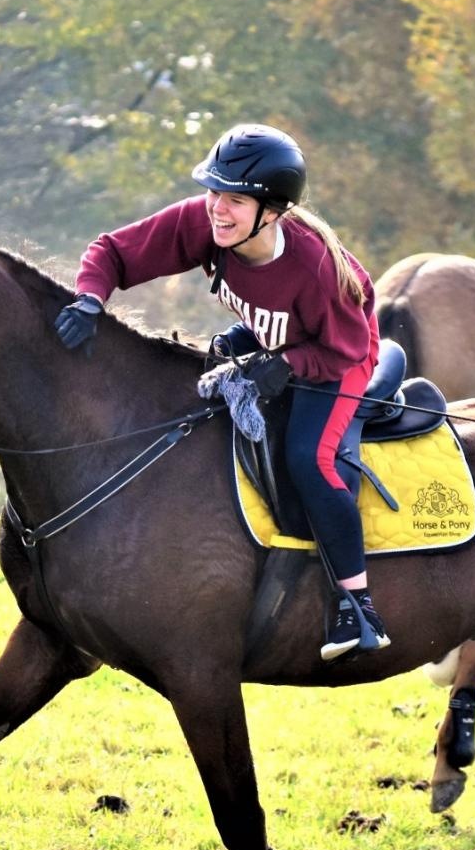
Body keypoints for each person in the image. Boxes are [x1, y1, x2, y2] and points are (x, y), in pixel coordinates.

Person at [53, 123, 389, 662]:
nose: (217, 209)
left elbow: (343, 351)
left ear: (273, 211)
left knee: (310, 457)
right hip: (277, 336)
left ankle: (358, 605)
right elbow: (112, 252)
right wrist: (90, 300)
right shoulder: (206, 223)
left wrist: (286, 365)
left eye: (234, 199)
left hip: (340, 356)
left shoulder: (315, 267)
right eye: (214, 192)